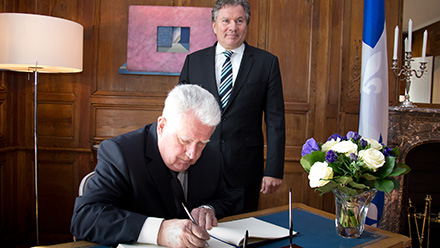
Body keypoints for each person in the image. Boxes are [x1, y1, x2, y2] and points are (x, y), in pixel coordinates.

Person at [70, 84, 234, 247]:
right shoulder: (121, 154)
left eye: (202, 143)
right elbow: (85, 218)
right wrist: (159, 231)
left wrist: (208, 208)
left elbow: (225, 200)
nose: (193, 154)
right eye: (185, 140)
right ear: (162, 126)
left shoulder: (211, 156)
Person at [179, 0, 285, 214]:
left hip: (245, 170)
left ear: (247, 24)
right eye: (226, 20)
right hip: (198, 165)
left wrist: (274, 169)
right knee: (198, 231)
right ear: (214, 25)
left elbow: (275, 119)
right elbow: (179, 114)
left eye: (239, 20)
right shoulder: (194, 61)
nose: (232, 27)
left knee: (242, 232)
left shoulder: (267, 63)